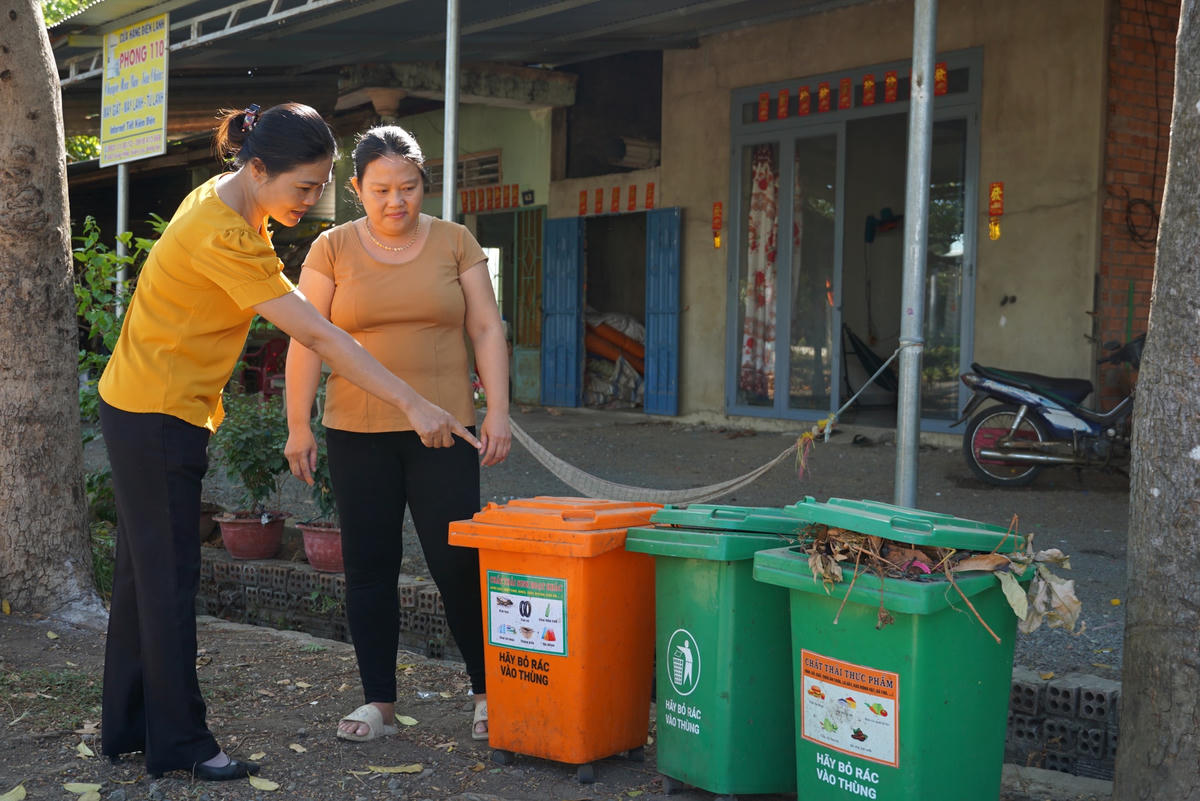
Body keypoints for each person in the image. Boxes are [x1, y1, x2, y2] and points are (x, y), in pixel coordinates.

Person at [97, 103, 480, 781]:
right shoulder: (225, 234)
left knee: (140, 577)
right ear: (257, 167)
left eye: (321, 186)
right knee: (167, 579)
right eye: (304, 187)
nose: (314, 200)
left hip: (143, 404)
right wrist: (415, 401)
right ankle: (182, 742)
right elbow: (322, 335)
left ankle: (129, 726)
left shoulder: (226, 201)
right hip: (157, 414)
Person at [283, 125, 510, 744]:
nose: (395, 202)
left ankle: (488, 692)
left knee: (457, 562)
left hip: (442, 430)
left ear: (422, 185)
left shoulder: (455, 241)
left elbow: (487, 329)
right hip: (357, 431)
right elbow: (307, 338)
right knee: (370, 566)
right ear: (357, 189)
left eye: (407, 188)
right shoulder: (331, 249)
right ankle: (378, 701)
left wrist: (497, 411)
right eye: (381, 189)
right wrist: (297, 424)